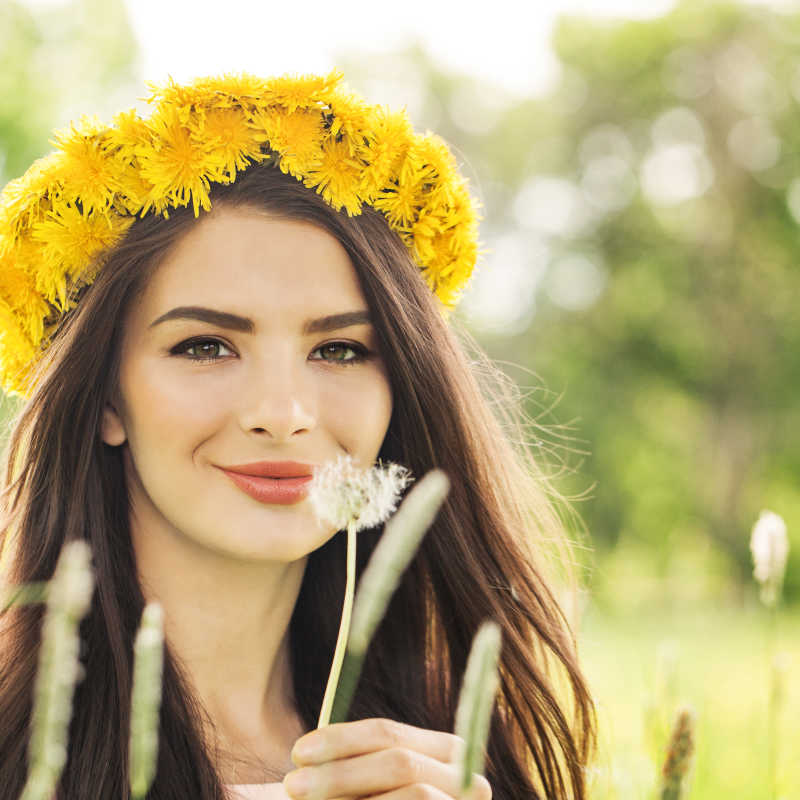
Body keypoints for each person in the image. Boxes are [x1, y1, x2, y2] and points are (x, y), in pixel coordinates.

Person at [0, 72, 596, 799]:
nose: (283, 413)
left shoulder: (453, 753)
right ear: (105, 398)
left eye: (340, 350)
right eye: (205, 345)